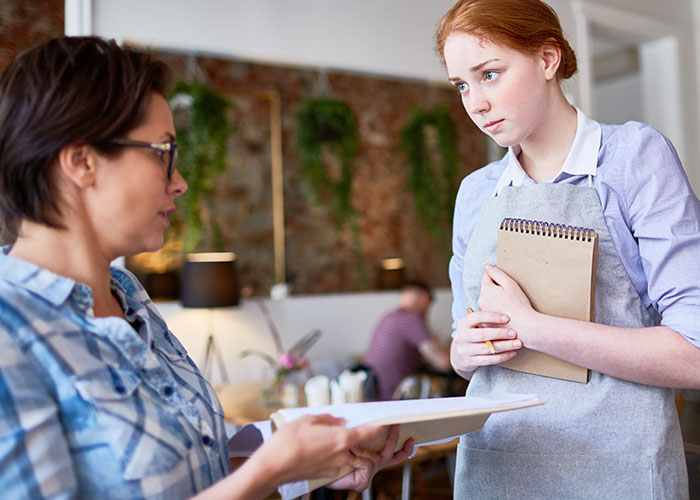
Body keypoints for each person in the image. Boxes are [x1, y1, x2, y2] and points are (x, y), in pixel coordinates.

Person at [0, 36, 413, 499]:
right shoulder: (10, 334)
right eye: (162, 152)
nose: (180, 182)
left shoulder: (128, 295)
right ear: (81, 161)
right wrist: (265, 473)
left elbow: (199, 472)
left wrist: (314, 465)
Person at [435, 0, 700, 498]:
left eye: (489, 74)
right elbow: (463, 350)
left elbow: (694, 353)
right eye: (462, 86)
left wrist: (532, 327)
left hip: (618, 470)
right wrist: (464, 351)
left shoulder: (633, 159)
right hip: (497, 467)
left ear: (547, 58)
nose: (475, 103)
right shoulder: (475, 193)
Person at [363, 281, 451, 400]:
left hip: (373, 391)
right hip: (392, 396)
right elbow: (443, 363)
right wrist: (453, 343)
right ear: (425, 299)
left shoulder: (389, 316)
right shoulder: (411, 319)